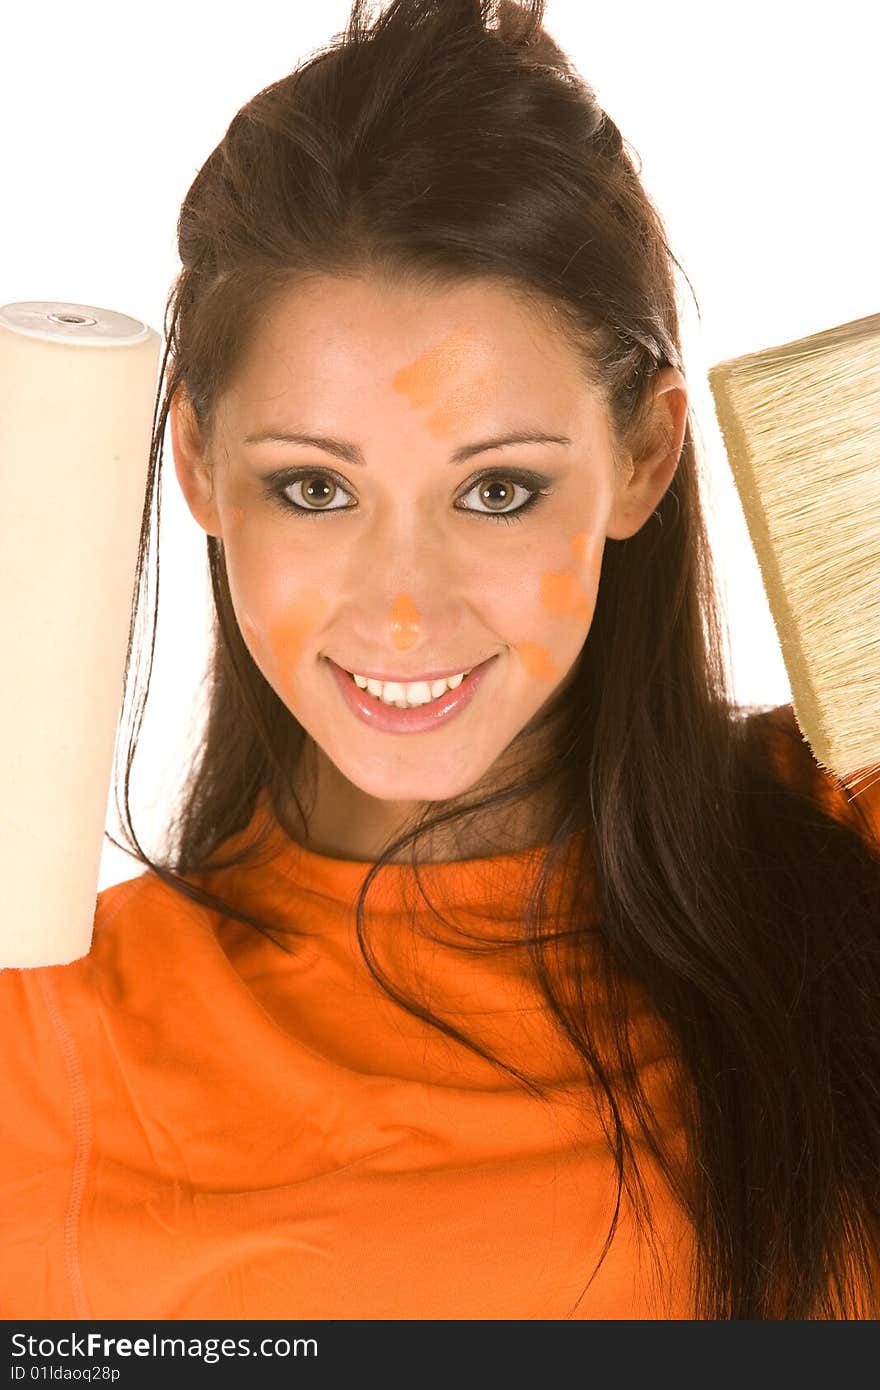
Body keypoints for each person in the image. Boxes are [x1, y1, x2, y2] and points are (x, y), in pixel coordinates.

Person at [1, 0, 878, 1322]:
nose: (401, 611)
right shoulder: (41, 1044)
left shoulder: (849, 854)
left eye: (498, 491)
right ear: (193, 461)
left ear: (643, 457)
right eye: (311, 487)